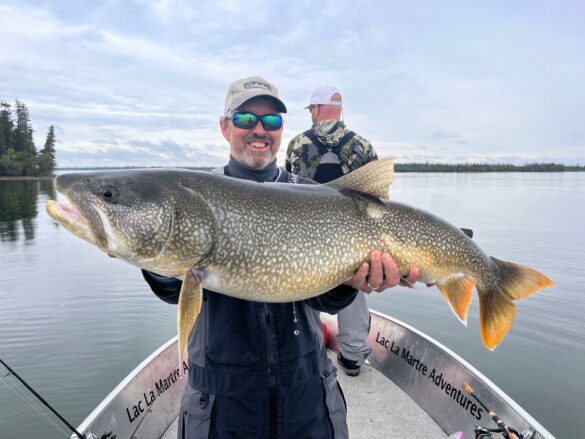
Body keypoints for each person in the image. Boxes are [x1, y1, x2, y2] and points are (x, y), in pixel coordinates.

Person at [142, 76, 419, 439]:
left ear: (281, 130)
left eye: (271, 121)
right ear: (225, 128)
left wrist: (354, 282)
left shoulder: (312, 196)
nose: (259, 130)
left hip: (305, 393)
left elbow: (326, 296)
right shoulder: (197, 197)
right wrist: (152, 253)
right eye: (245, 120)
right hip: (222, 403)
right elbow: (168, 288)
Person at [285, 85, 378, 377]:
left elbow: (284, 191)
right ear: (340, 110)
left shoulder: (297, 144)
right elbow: (377, 200)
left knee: (304, 290)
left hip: (304, 237)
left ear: (314, 110)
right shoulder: (362, 145)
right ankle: (352, 357)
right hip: (353, 239)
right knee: (354, 284)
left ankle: (307, 348)